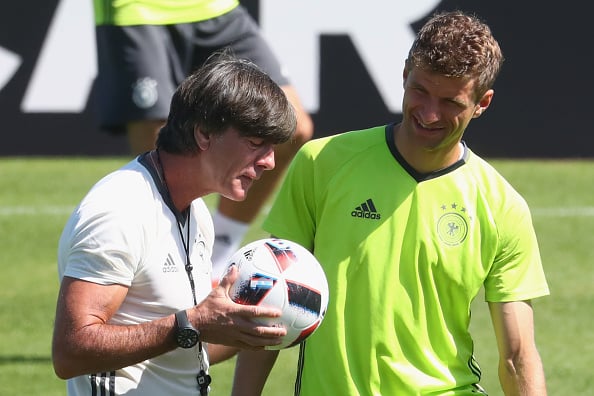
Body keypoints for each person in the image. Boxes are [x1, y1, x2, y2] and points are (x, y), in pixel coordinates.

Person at [232, 10, 550, 396]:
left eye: (451, 102)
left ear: (482, 103)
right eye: (420, 91)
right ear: (403, 76)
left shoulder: (503, 206)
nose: (430, 113)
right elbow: (273, 300)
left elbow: (517, 355)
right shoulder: (322, 163)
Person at [52, 53, 296, 396]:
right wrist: (192, 322)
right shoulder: (119, 210)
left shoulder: (196, 213)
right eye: (256, 143)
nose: (270, 161)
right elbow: (70, 351)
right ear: (204, 134)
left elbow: (182, 351)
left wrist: (259, 325)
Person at [92, 0, 314, 279]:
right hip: (137, 10)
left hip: (217, 9)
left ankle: (218, 255)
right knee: (164, 151)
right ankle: (164, 270)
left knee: (293, 128)